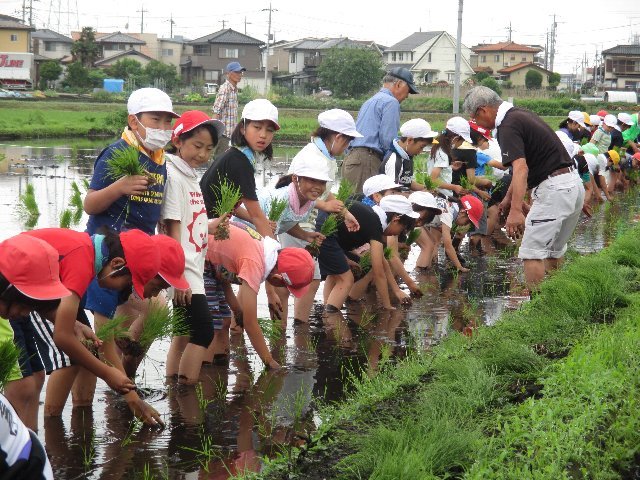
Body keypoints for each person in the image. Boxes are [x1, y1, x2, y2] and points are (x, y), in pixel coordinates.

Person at [464, 85, 584, 289]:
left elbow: (521, 169)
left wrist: (516, 211)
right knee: (554, 251)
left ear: (483, 110)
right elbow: (523, 167)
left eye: (475, 119)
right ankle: (555, 300)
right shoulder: (520, 115)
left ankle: (538, 308)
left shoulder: (507, 126)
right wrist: (509, 200)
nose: (478, 125)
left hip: (554, 188)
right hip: (572, 184)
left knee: (531, 252)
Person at [159, 110, 225, 384]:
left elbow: (189, 221)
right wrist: (177, 279)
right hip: (184, 271)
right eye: (197, 146)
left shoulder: (189, 175)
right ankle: (186, 393)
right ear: (178, 141)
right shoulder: (173, 175)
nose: (203, 154)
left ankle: (174, 384)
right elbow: (172, 228)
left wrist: (209, 225)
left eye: (209, 149)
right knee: (204, 332)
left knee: (184, 331)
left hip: (191, 266)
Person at [281, 109, 362, 323]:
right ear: (337, 137)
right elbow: (294, 191)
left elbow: (326, 193)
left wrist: (345, 212)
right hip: (294, 221)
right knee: (307, 277)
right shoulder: (310, 156)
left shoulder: (326, 157)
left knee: (308, 277)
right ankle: (299, 325)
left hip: (306, 221)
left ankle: (299, 323)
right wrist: (325, 205)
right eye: (347, 142)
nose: (346, 148)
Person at [206, 224, 315, 369]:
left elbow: (224, 277)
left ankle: (219, 367)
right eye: (285, 286)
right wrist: (269, 362)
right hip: (199, 258)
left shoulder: (263, 250)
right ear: (277, 278)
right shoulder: (255, 264)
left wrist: (237, 310)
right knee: (211, 325)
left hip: (213, 265)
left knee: (225, 320)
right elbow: (250, 323)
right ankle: (203, 371)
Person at [316, 195, 418, 311]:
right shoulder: (375, 225)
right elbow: (378, 271)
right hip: (323, 231)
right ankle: (331, 318)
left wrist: (396, 290)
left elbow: (382, 261)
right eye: (403, 229)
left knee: (339, 272)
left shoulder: (372, 216)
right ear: (396, 219)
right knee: (346, 279)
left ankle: (327, 306)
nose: (399, 234)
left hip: (325, 231)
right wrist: (387, 306)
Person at [201, 98, 279, 240]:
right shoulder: (239, 161)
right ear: (243, 128)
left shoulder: (237, 154)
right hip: (208, 229)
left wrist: (261, 222)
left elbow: (234, 206)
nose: (263, 135)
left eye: (270, 130)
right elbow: (256, 215)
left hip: (212, 224)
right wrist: (275, 250)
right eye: (257, 127)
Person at [341, 67, 419, 193]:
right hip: (367, 160)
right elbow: (388, 141)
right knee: (366, 207)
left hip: (352, 159)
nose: (407, 96)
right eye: (408, 91)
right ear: (399, 84)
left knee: (351, 204)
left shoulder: (371, 100)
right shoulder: (391, 102)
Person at [422, 195, 484, 272]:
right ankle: (421, 273)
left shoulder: (451, 206)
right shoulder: (449, 214)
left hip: (418, 219)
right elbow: (448, 246)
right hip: (411, 219)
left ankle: (429, 269)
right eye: (468, 221)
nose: (466, 225)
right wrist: (459, 267)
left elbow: (434, 220)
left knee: (433, 243)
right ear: (463, 212)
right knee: (428, 246)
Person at [379, 118, 438, 191]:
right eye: (421, 147)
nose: (420, 152)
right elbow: (391, 194)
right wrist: (418, 195)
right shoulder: (394, 161)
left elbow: (407, 182)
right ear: (410, 140)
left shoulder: (407, 156)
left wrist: (426, 189)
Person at [212, 61, 246, 158]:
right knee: (218, 160)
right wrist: (213, 132)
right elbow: (216, 111)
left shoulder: (234, 90)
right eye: (237, 72)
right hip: (223, 134)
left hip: (231, 133)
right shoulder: (225, 89)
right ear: (229, 74)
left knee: (227, 160)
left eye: (240, 73)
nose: (239, 75)